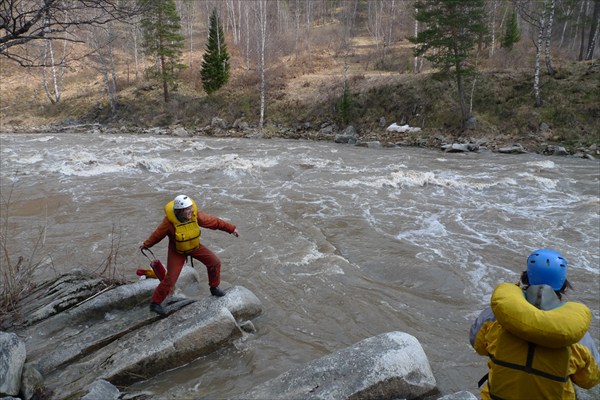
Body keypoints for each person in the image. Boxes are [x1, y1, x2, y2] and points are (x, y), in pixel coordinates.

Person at [470, 248, 600, 400]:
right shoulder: (576, 333)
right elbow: (590, 380)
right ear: (563, 286)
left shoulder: (497, 316)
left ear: (525, 277)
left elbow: (477, 344)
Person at [140, 194, 239, 315]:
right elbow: (157, 234)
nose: (190, 211)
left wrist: (231, 229)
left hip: (194, 247)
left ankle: (214, 288)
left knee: (214, 262)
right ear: (179, 211)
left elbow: (215, 222)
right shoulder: (169, 222)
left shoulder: (196, 216)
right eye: (187, 209)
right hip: (177, 251)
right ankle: (155, 303)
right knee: (170, 279)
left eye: (191, 208)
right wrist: (146, 244)